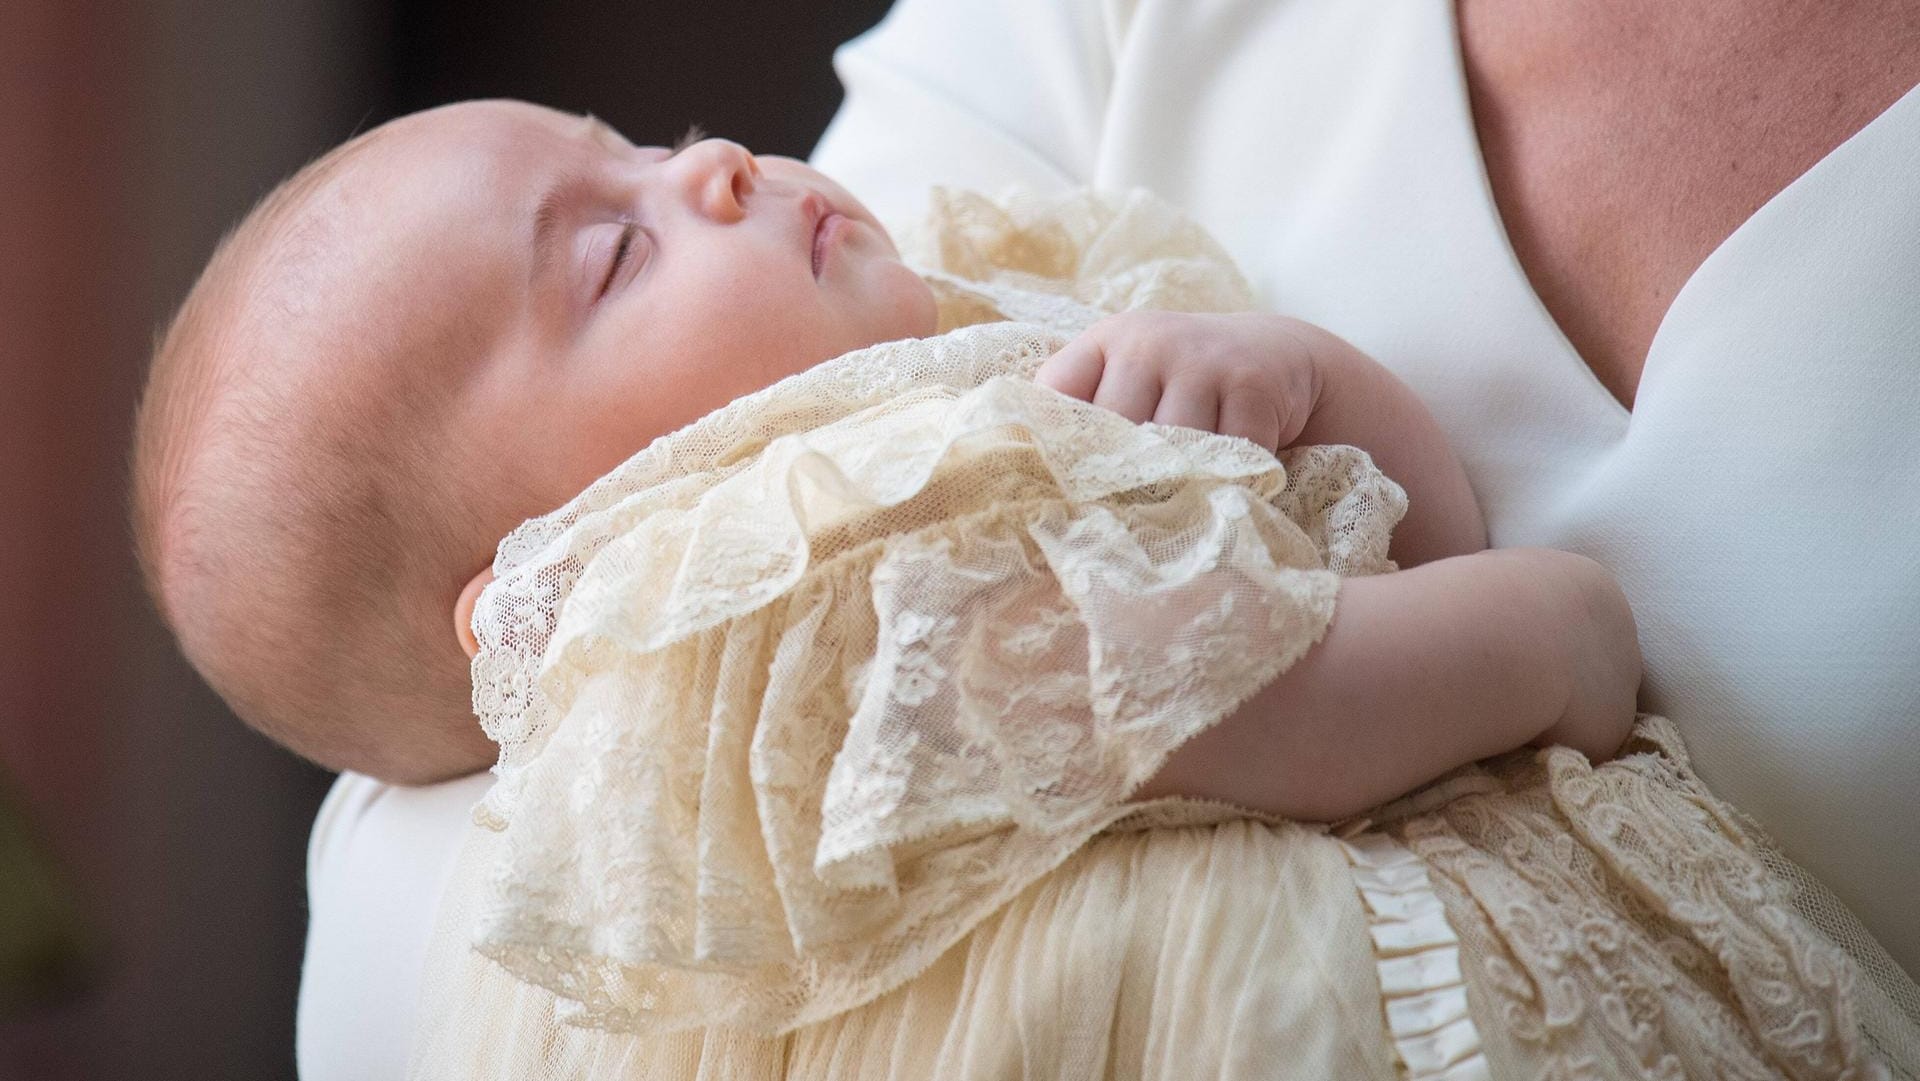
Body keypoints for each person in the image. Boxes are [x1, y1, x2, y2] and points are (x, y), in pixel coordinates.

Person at [289, 0, 1920, 1074]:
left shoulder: (984, 309)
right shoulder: (773, 594)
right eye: (609, 258)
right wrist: (1549, 635)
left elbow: (1406, 538)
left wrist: (1308, 377)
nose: (706, 166)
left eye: (634, 151)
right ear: (540, 591)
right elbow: (1232, 708)